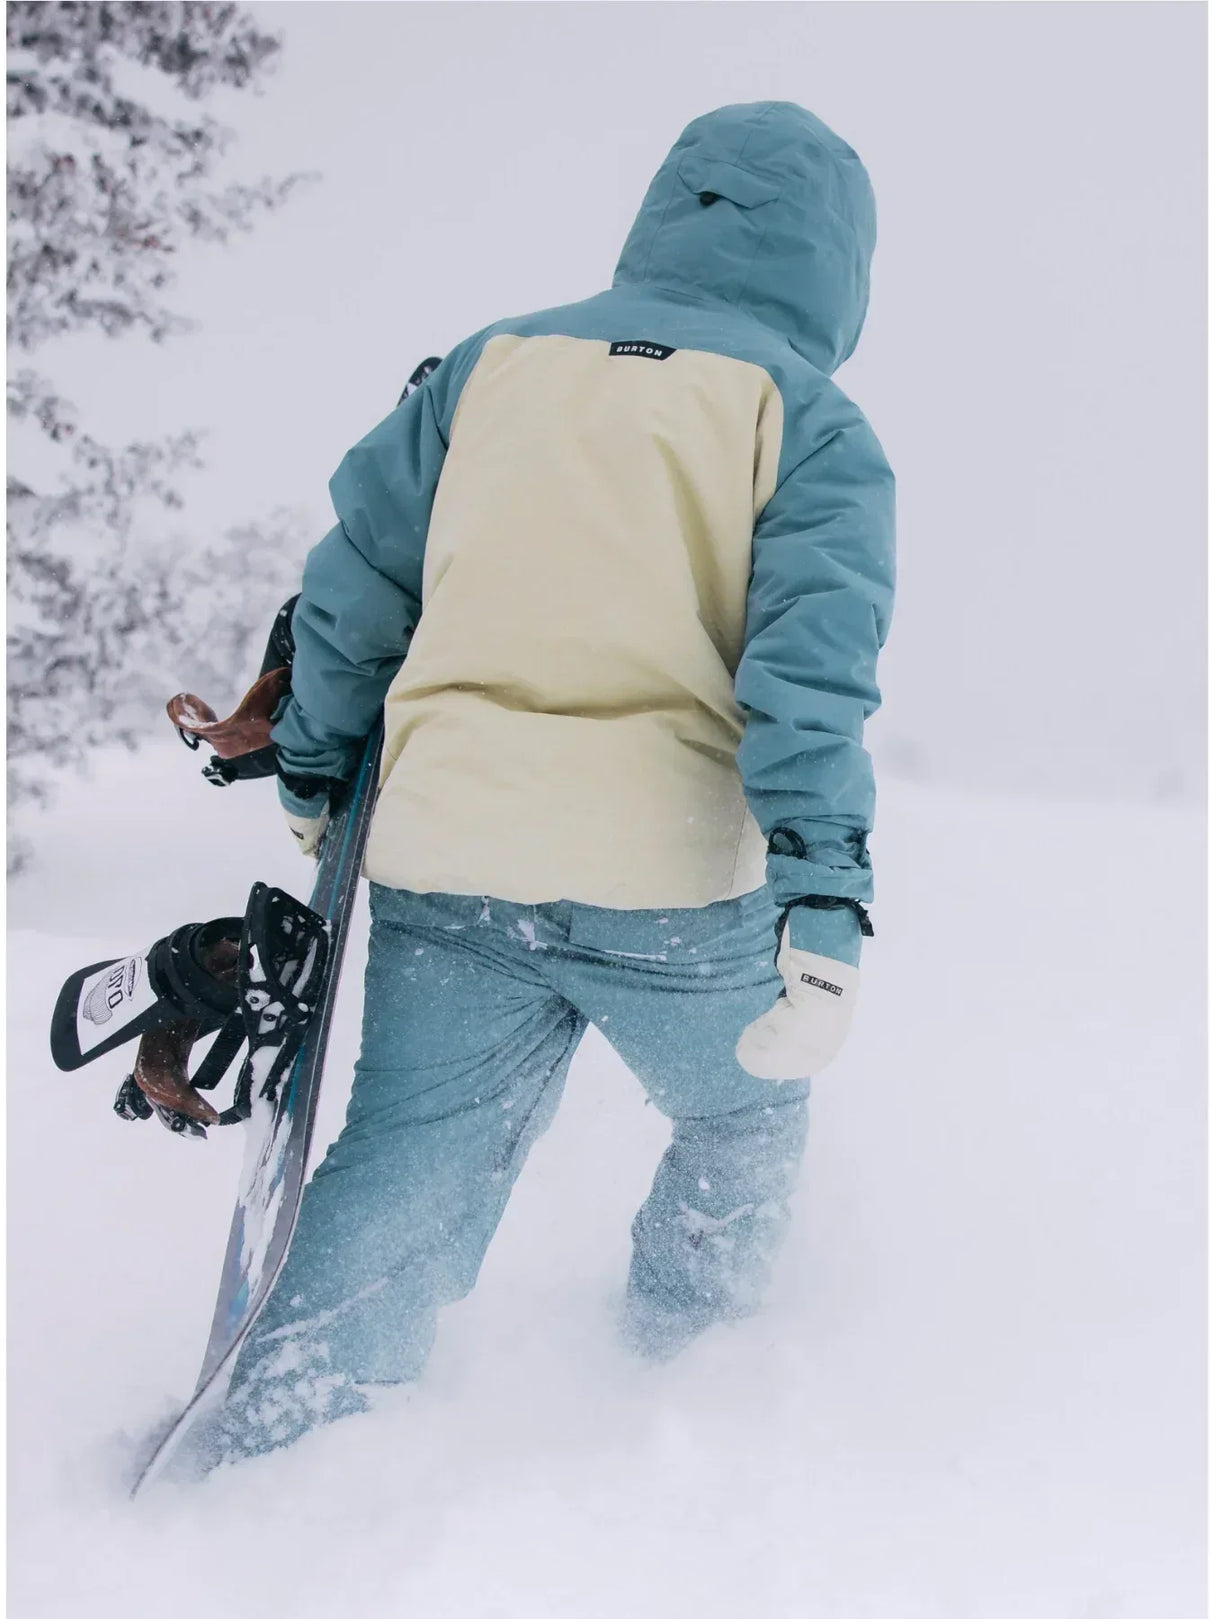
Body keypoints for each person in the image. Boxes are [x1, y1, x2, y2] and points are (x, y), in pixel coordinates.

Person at [216, 98, 895, 1463]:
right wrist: (824, 906)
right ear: (839, 260)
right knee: (740, 1116)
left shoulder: (490, 365)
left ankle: (290, 1426)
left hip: (449, 858)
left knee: (409, 1146)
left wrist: (310, 767)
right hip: (672, 884)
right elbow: (807, 679)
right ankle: (686, 1380)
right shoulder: (809, 418)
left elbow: (355, 587)